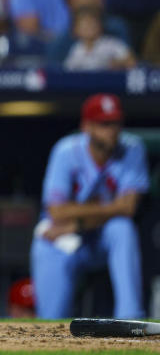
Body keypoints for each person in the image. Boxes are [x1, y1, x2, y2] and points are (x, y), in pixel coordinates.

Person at [30, 93, 149, 319]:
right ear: (87, 126)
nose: (112, 130)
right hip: (64, 239)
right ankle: (50, 330)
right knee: (46, 243)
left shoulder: (133, 149)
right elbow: (56, 212)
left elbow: (128, 208)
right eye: (104, 124)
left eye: (115, 123)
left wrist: (79, 221)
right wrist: (109, 207)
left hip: (102, 237)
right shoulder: (66, 151)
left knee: (122, 228)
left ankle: (130, 319)